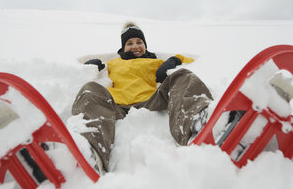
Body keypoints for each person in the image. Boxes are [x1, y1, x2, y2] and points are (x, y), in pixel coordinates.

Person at [71, 22, 213, 174]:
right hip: (117, 106)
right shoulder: (113, 63)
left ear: (145, 44)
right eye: (129, 43)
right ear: (122, 47)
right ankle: (90, 148)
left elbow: (194, 61)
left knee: (183, 75)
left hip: (151, 101)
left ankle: (197, 124)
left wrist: (173, 60)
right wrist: (92, 64)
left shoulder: (156, 61)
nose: (135, 46)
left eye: (139, 42)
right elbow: (77, 65)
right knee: (90, 89)